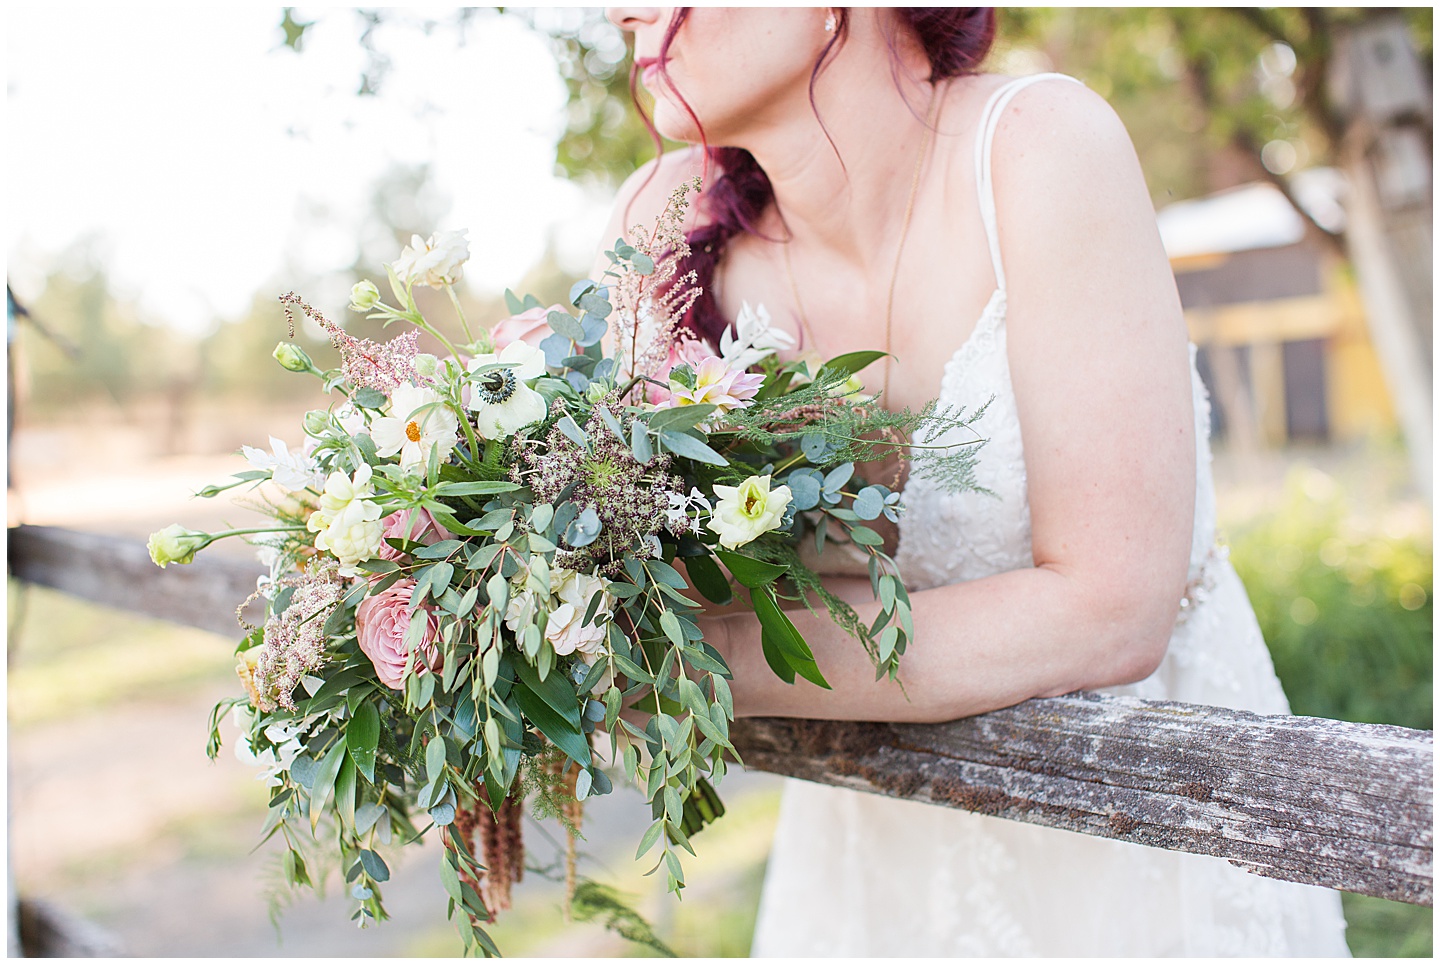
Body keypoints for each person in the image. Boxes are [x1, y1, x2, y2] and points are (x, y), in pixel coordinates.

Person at [598, 7, 1351, 956]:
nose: (625, 9)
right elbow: (641, 565)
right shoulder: (656, 233)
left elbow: (1110, 607)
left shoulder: (1039, 149)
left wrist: (696, 665)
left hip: (1144, 829)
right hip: (874, 866)